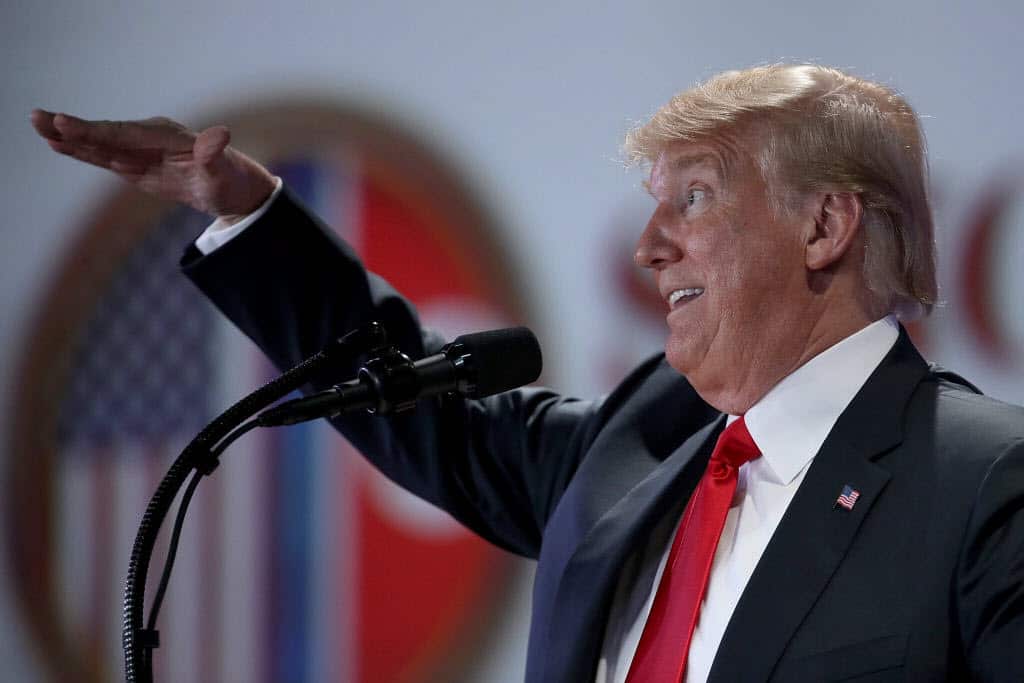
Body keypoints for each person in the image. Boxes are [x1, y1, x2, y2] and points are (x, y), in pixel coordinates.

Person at [32, 64, 1024, 682]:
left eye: (693, 199)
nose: (649, 247)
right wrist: (250, 218)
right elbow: (428, 413)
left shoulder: (985, 481)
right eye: (653, 205)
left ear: (823, 225)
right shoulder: (647, 436)